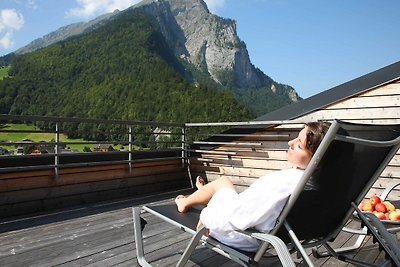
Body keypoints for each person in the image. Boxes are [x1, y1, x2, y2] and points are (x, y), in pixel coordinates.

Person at [175, 121, 330, 252]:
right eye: (295, 138)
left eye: (299, 146)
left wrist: (206, 217)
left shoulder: (283, 183)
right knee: (224, 184)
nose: (290, 143)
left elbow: (236, 216)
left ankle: (186, 202)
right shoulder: (313, 181)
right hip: (251, 227)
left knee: (222, 183)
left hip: (239, 235)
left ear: (317, 160)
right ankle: (204, 193)